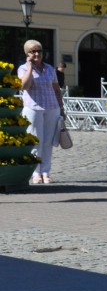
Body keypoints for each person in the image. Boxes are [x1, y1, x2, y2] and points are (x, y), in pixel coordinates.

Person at [17, 40, 65, 185]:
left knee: (48, 142)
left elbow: (56, 90)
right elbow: (24, 86)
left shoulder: (50, 69)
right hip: (33, 108)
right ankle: (36, 172)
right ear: (27, 54)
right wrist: (31, 67)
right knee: (35, 141)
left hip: (52, 108)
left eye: (39, 51)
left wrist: (61, 108)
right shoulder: (23, 68)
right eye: (33, 51)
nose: (37, 54)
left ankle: (46, 171)